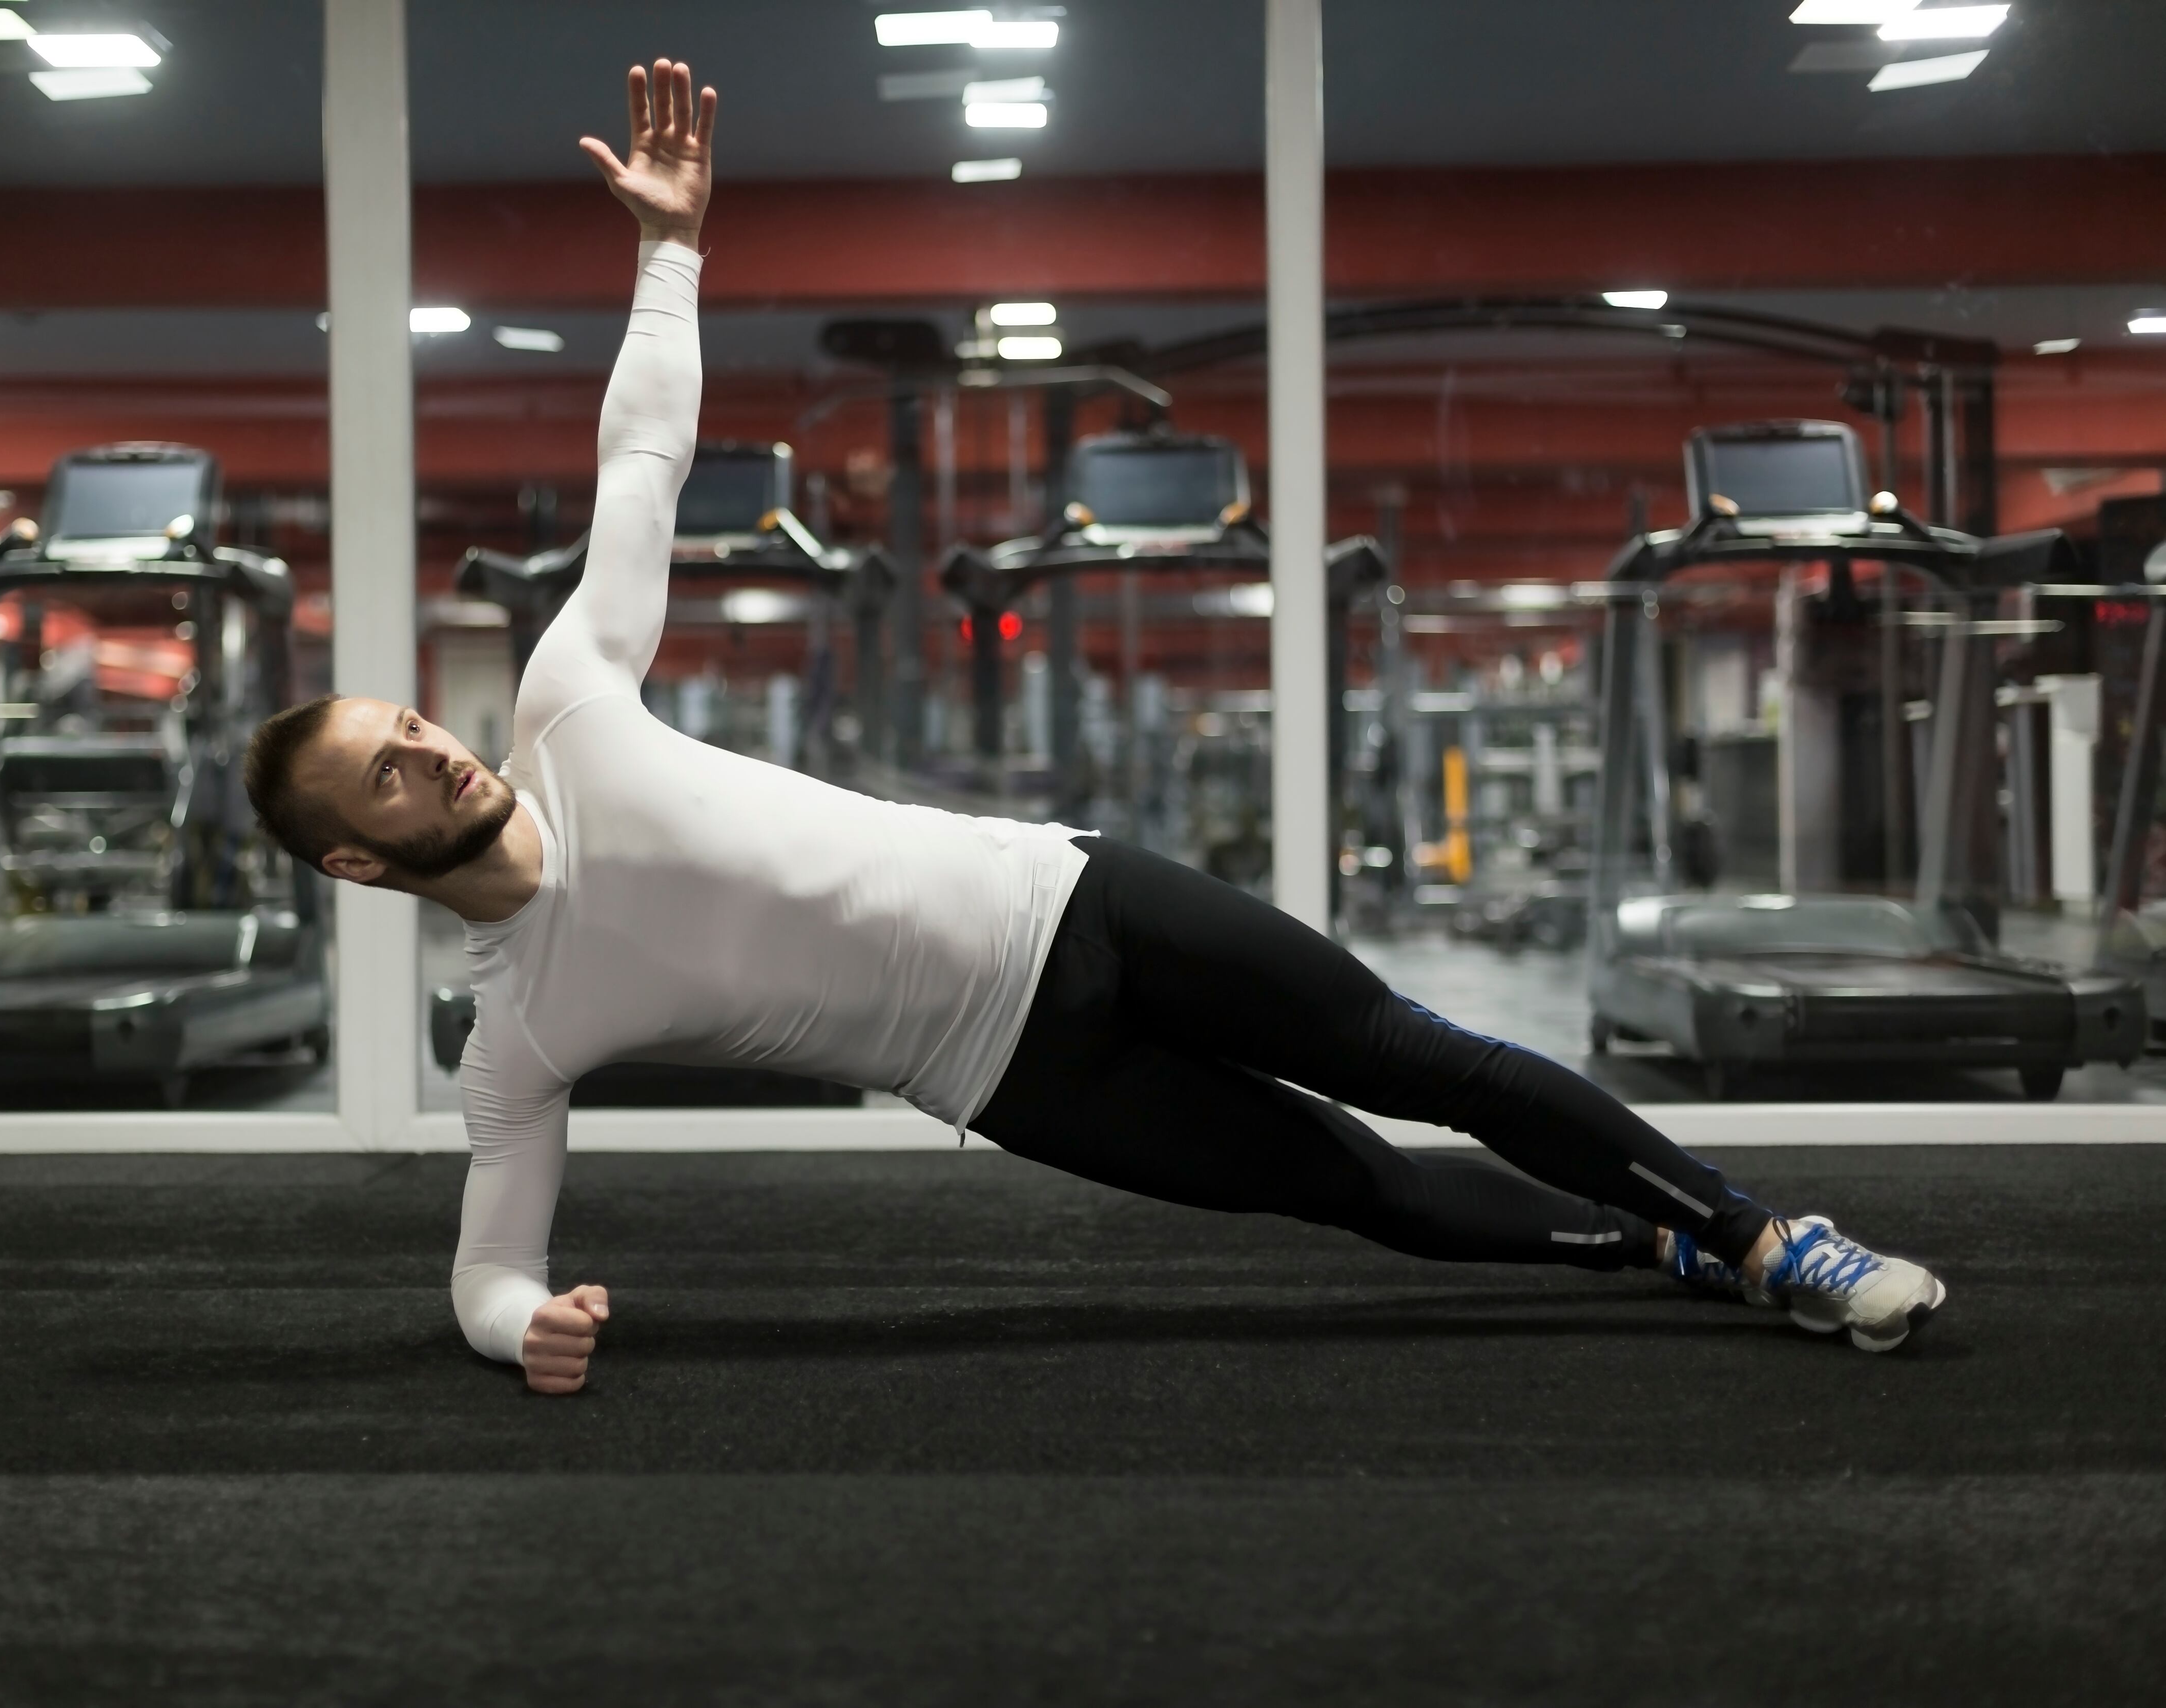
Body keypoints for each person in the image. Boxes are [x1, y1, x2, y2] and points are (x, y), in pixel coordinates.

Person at [243, 60, 1945, 1396]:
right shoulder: (518, 1039)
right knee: (1355, 1185)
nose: (428, 749)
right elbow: (487, 1264)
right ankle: (1663, 1260)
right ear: (352, 854)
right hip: (1019, 1075)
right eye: (385, 770)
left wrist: (672, 251)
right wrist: (513, 1328)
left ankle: (1764, 1232)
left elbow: (642, 464)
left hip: (1071, 899)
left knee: (1420, 1057)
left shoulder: (563, 702)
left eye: (407, 720)